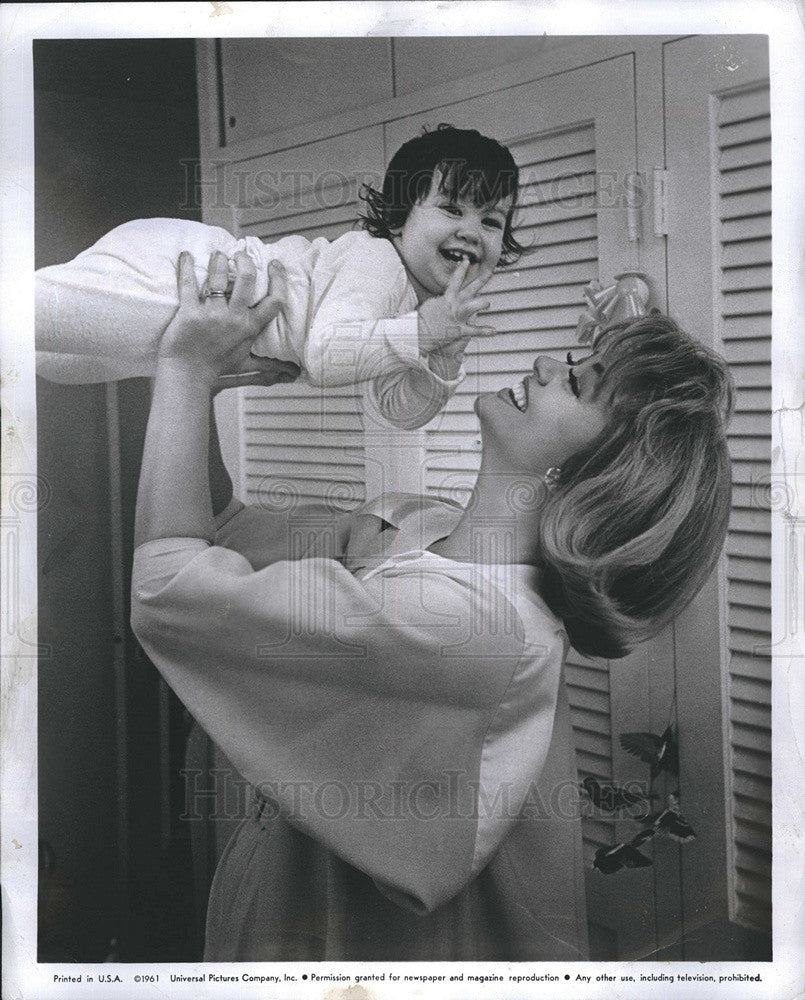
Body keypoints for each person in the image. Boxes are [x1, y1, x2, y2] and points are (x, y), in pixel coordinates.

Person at [130, 252, 733, 960]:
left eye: (575, 379)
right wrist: (198, 395)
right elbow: (221, 530)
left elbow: (167, 588)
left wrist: (180, 372)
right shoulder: (418, 526)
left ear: (593, 477)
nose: (545, 364)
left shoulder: (465, 631)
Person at [36, 124, 525, 430]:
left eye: (491, 220)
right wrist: (425, 332)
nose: (471, 231)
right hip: (201, 274)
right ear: (398, 219)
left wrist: (444, 353)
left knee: (50, 361)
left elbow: (397, 412)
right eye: (451, 208)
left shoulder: (408, 313)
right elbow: (326, 352)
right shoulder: (378, 261)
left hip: (217, 317)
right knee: (34, 313)